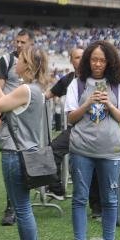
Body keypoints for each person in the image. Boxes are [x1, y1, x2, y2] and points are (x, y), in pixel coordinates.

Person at [64, 40, 120, 240]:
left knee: (110, 200)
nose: (98, 64)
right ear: (87, 60)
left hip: (110, 151)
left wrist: (109, 106)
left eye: (102, 60)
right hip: (81, 149)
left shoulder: (117, 85)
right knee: (80, 199)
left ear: (109, 62)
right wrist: (88, 103)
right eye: (94, 59)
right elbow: (70, 118)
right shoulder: (78, 84)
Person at [0, 45, 52, 240]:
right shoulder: (33, 89)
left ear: (29, 65)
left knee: (22, 208)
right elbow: (5, 101)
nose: (16, 62)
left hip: (16, 153)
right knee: (23, 207)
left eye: (21, 59)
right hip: (26, 152)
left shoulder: (27, 90)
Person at [0, 29, 32, 226]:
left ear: (30, 43)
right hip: (10, 119)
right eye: (17, 41)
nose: (19, 45)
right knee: (11, 162)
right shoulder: (6, 61)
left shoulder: (35, 62)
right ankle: (11, 206)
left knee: (28, 162)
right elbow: (0, 89)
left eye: (23, 42)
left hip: (29, 120)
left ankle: (22, 203)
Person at [45, 46, 84, 200]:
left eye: (83, 56)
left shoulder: (95, 79)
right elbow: (48, 94)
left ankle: (97, 207)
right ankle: (56, 189)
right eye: (77, 57)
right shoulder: (68, 79)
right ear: (71, 60)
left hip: (94, 129)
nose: (80, 60)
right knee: (52, 150)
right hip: (74, 129)